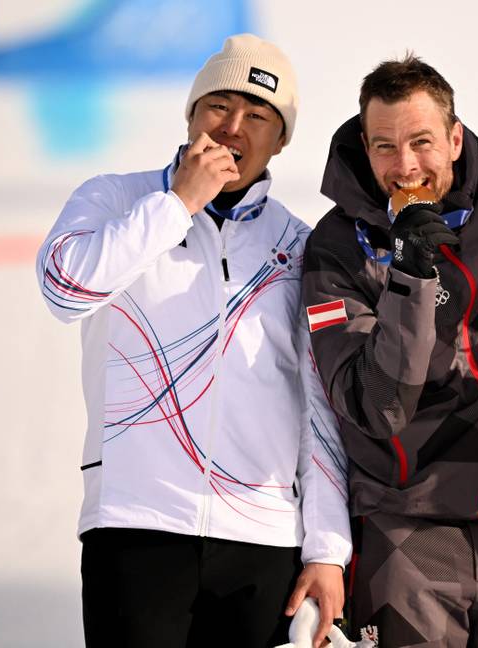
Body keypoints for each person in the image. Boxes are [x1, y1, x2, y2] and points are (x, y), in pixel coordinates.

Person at [36, 34, 350, 648]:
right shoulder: (116, 199)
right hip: (137, 524)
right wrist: (178, 203)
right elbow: (65, 290)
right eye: (218, 106)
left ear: (281, 140)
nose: (234, 127)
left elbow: (320, 410)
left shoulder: (302, 247)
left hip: (264, 543)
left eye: (258, 115)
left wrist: (328, 550)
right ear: (190, 113)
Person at [301, 55, 478, 647]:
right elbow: (376, 407)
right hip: (404, 534)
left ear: (453, 138)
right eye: (385, 147)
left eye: (422, 142)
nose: (406, 166)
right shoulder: (337, 248)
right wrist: (410, 276)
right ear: (364, 149)